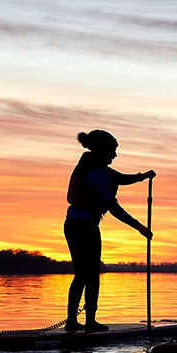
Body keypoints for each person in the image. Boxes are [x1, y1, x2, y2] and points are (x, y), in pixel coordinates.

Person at [65, 129, 154, 333]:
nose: (114, 155)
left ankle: (72, 322)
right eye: (112, 151)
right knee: (91, 275)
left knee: (81, 275)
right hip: (85, 227)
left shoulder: (91, 168)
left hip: (72, 224)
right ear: (101, 151)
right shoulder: (96, 174)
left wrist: (143, 177)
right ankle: (90, 323)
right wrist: (139, 227)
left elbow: (121, 178)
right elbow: (113, 207)